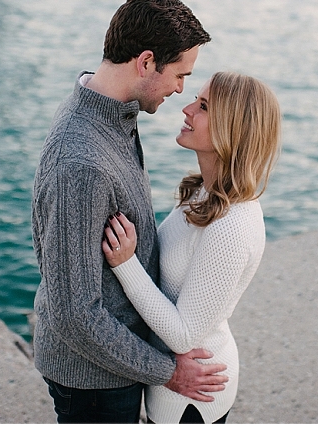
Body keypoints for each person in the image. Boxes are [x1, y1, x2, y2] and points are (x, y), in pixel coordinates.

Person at [32, 0, 229, 424]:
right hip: (96, 380)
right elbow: (75, 315)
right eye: (179, 74)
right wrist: (169, 372)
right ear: (145, 62)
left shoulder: (113, 113)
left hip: (118, 361)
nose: (181, 89)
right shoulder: (81, 163)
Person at [102, 72, 282, 423]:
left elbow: (183, 335)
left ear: (231, 128)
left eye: (202, 106)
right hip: (173, 382)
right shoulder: (203, 193)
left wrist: (125, 265)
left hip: (194, 391)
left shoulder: (231, 223)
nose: (186, 109)